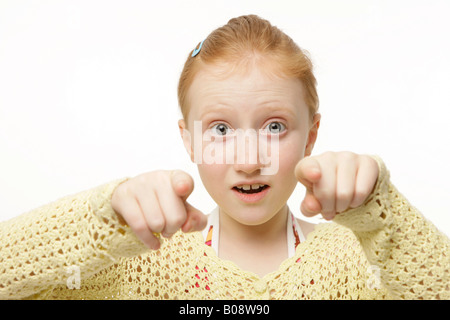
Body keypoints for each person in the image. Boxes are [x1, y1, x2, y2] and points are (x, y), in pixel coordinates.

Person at [0, 15, 448, 300]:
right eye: (220, 129)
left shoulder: (361, 260)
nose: (249, 160)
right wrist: (100, 222)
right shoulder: (135, 265)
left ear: (311, 136)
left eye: (274, 127)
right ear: (189, 141)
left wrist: (382, 216)